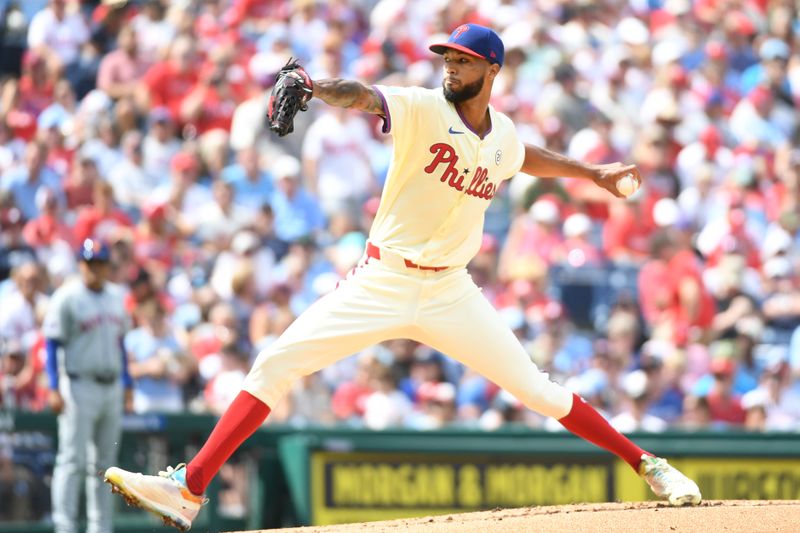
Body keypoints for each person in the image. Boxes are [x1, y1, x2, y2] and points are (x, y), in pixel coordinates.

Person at [104, 24, 701, 531]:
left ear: (491, 70)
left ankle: (648, 464)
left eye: (462, 60)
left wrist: (590, 172)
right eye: (446, 56)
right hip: (382, 280)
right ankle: (190, 489)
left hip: (450, 290)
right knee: (276, 362)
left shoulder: (505, 137)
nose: (449, 66)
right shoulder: (422, 107)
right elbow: (363, 96)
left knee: (540, 391)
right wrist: (313, 86)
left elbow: (525, 156)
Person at [43, 239, 132, 533]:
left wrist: (127, 381)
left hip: (111, 387)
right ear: (81, 265)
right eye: (89, 263)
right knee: (72, 461)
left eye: (100, 263)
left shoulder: (116, 296)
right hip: (79, 385)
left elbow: (121, 343)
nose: (94, 269)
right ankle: (65, 527)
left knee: (106, 466)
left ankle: (100, 528)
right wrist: (54, 387)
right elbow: (52, 343)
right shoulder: (67, 297)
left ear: (107, 266)